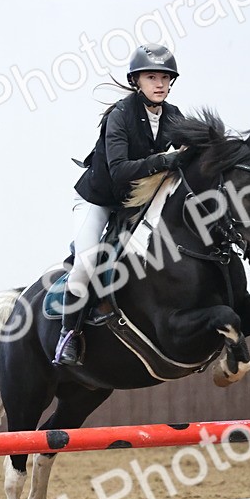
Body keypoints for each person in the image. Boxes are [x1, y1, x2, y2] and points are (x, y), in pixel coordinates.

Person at [54, 44, 186, 367]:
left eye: (165, 78)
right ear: (136, 81)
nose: (159, 84)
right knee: (86, 265)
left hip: (135, 201)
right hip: (99, 199)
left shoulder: (173, 116)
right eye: (151, 77)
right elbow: (120, 171)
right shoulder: (120, 116)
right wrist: (165, 159)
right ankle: (67, 335)